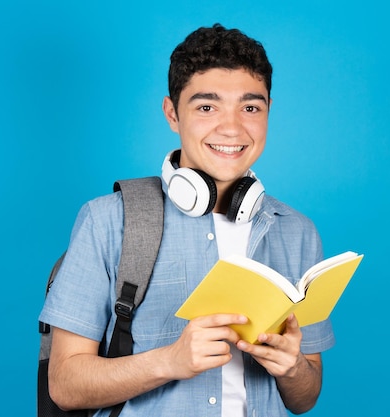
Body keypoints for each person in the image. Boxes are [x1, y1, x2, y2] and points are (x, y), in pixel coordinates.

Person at [39, 23, 335, 417]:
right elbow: (65, 385)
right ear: (172, 114)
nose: (231, 128)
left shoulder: (297, 231)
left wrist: (293, 368)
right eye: (206, 107)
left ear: (269, 112)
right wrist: (170, 361)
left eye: (250, 107)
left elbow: (305, 398)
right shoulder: (108, 220)